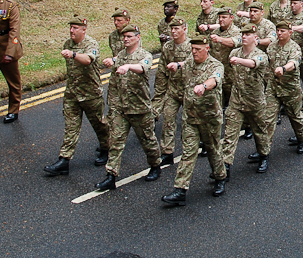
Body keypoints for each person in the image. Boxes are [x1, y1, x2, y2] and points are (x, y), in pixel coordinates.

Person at [161, 34, 227, 206]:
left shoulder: (215, 65)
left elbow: (215, 79)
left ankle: (220, 177)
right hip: (191, 117)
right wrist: (176, 65)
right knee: (188, 152)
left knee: (213, 150)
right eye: (192, 49)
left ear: (207, 49)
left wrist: (204, 86)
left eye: (198, 50)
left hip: (209, 118)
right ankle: (180, 190)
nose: (194, 53)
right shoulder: (190, 62)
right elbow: (185, 64)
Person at [95, 25, 162, 191]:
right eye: (124, 37)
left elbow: (143, 67)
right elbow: (115, 80)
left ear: (137, 38)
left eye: (129, 36)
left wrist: (128, 67)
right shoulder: (121, 56)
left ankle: (155, 165)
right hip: (122, 108)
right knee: (116, 142)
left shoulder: (144, 55)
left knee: (148, 140)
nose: (125, 39)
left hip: (140, 108)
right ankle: (110, 176)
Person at [44, 16, 109, 176]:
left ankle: (107, 148)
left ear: (83, 29)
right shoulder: (68, 43)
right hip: (72, 93)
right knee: (71, 127)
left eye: (75, 28)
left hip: (91, 94)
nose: (72, 30)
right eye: (71, 27)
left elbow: (88, 60)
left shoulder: (91, 44)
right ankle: (64, 160)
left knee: (100, 124)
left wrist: (73, 55)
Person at [221, 23, 271, 174]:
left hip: (255, 101)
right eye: (242, 34)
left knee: (260, 131)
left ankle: (263, 156)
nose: (244, 36)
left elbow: (253, 63)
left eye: (248, 34)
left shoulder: (261, 55)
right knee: (230, 134)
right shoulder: (234, 52)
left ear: (255, 38)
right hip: (237, 101)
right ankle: (224, 168)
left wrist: (239, 61)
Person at [265, 21, 303, 154]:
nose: (279, 33)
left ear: (290, 32)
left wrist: (283, 68)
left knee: (295, 116)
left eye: (282, 31)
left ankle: (302, 138)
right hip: (273, 87)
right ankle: (263, 152)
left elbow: (294, 63)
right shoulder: (271, 46)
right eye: (278, 30)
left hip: (290, 89)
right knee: (267, 118)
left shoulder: (294, 48)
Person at [156, 18, 192, 167]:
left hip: (188, 89)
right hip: (172, 90)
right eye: (172, 29)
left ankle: (192, 149)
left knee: (190, 122)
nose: (173, 31)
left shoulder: (192, 46)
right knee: (168, 120)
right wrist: (160, 93)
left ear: (184, 29)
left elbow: (196, 64)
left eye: (177, 28)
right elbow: (162, 70)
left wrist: (179, 65)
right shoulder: (168, 47)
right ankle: (167, 152)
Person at [209, 7, 242, 109]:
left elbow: (234, 42)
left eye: (224, 17)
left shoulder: (236, 31)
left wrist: (220, 39)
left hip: (231, 74)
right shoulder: (215, 32)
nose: (221, 19)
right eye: (219, 17)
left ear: (231, 18)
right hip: (217, 71)